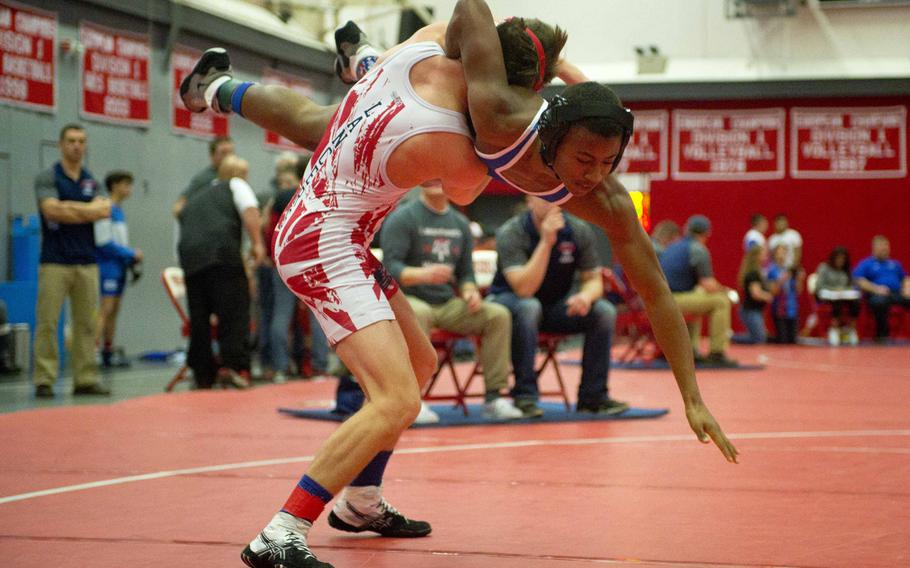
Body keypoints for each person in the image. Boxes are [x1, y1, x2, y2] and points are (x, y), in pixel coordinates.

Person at [180, 8, 737, 566]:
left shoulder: (431, 48)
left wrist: (691, 393)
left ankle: (361, 502)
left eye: (607, 163)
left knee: (419, 364)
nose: (592, 176)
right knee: (396, 398)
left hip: (354, 185)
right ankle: (279, 532)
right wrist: (556, 79)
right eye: (583, 160)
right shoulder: (473, 142)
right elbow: (469, 186)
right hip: (321, 240)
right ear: (535, 104)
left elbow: (471, 22)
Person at [381, 184, 521, 420]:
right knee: (420, 313)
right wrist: (422, 275)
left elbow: (466, 273)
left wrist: (470, 291)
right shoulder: (403, 218)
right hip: (408, 300)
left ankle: (494, 398)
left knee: (497, 315)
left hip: (446, 304)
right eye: (430, 174)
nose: (435, 179)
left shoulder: (459, 224)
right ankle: (413, 398)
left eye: (441, 174)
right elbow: (389, 269)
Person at [489, 196, 628, 418]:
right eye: (542, 197)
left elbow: (593, 280)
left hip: (552, 307)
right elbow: (524, 289)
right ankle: (525, 396)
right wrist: (546, 242)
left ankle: (593, 397)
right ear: (529, 201)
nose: (550, 201)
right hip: (508, 304)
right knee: (529, 307)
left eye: (554, 197)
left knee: (603, 311)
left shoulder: (577, 230)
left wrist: (585, 296)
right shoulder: (512, 232)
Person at [33, 124, 112, 398]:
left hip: (87, 262)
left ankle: (85, 378)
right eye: (71, 141)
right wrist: (87, 211)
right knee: (48, 322)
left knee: (87, 324)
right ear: (61, 145)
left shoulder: (92, 180)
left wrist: (71, 210)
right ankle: (44, 379)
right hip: (54, 261)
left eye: (81, 141)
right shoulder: (48, 177)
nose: (76, 146)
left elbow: (104, 210)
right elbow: (51, 210)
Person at [177, 155, 265, 389]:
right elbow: (250, 210)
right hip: (221, 253)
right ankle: (234, 367)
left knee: (200, 317)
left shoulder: (196, 197)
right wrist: (257, 243)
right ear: (238, 174)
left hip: (190, 257)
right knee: (234, 311)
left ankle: (202, 372)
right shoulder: (235, 185)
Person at [658, 215, 738, 366]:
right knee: (720, 301)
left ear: (687, 229)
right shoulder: (698, 249)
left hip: (662, 300)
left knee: (699, 296)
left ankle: (691, 350)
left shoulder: (675, 246)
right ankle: (717, 353)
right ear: (706, 234)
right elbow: (708, 284)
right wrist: (725, 291)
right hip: (672, 300)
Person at [94, 170, 142, 367]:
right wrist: (130, 253)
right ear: (114, 185)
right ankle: (93, 352)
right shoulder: (105, 208)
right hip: (108, 266)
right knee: (105, 310)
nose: (129, 189)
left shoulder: (119, 210)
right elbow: (103, 241)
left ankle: (107, 351)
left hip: (119, 266)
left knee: (114, 311)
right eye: (125, 184)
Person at [853, 235, 910, 341]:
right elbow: (859, 280)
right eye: (882, 247)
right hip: (877, 294)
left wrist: (907, 288)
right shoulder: (866, 264)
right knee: (879, 303)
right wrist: (876, 288)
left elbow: (905, 278)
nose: (885, 249)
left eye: (886, 247)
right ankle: (882, 335)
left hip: (897, 294)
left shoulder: (895, 264)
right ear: (874, 248)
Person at [171, 136, 235, 218]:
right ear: (212, 156)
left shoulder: (237, 177)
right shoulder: (203, 178)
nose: (228, 157)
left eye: (231, 152)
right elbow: (178, 207)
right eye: (223, 153)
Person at [815, 246, 861, 346]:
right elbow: (819, 286)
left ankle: (851, 329)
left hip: (844, 295)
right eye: (838, 258)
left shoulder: (846, 271)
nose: (840, 261)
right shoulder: (824, 268)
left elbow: (852, 285)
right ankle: (834, 329)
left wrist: (845, 290)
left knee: (856, 302)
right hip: (827, 295)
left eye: (843, 259)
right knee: (837, 302)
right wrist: (834, 289)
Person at [734, 245, 772, 344]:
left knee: (758, 337)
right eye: (763, 254)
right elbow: (755, 293)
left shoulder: (757, 272)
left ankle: (733, 337)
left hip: (754, 310)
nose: (766, 256)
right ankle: (731, 337)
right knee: (758, 338)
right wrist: (768, 296)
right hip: (750, 310)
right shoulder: (753, 274)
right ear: (756, 256)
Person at [767, 244, 803, 344]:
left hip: (792, 308)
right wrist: (782, 279)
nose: (782, 255)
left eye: (784, 252)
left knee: (793, 340)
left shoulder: (790, 269)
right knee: (782, 340)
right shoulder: (772, 270)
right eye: (779, 252)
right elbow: (773, 291)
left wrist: (799, 279)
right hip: (779, 309)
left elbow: (798, 290)